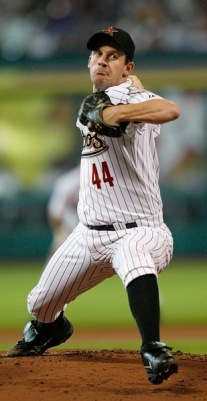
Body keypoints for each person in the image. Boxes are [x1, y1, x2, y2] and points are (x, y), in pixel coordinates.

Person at [7, 26, 180, 385]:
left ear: (127, 68)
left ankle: (152, 347)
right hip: (87, 236)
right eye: (97, 55)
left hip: (142, 230)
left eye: (112, 56)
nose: (102, 61)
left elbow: (169, 108)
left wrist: (117, 114)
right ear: (88, 62)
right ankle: (49, 331)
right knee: (39, 304)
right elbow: (102, 106)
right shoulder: (97, 100)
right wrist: (111, 106)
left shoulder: (131, 100)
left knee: (133, 255)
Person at [46, 165, 80, 258]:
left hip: (91, 216)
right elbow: (55, 213)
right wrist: (62, 233)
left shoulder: (101, 177)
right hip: (69, 215)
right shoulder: (68, 182)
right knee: (61, 244)